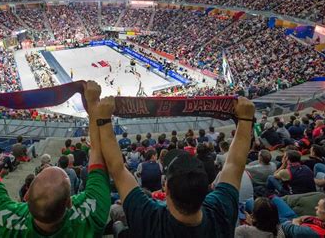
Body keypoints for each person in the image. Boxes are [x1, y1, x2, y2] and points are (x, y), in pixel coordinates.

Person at [0, 80, 111, 237]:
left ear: (26, 197)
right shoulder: (93, 213)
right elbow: (97, 151)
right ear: (69, 202)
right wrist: (93, 105)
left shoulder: (4, 222)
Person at [96, 95, 256, 237]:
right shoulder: (221, 212)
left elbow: (117, 169)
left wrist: (103, 118)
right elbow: (235, 164)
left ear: (167, 190)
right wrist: (246, 119)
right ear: (207, 190)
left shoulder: (149, 218)